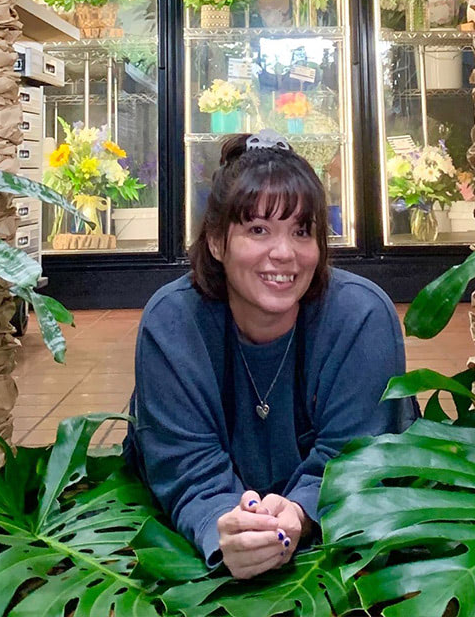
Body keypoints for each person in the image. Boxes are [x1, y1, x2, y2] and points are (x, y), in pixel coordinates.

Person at [125, 131, 415, 579]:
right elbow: (183, 462)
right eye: (258, 230)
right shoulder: (172, 323)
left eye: (302, 231)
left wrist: (300, 513)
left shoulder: (361, 317)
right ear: (218, 243)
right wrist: (222, 525)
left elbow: (356, 454)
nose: (284, 254)